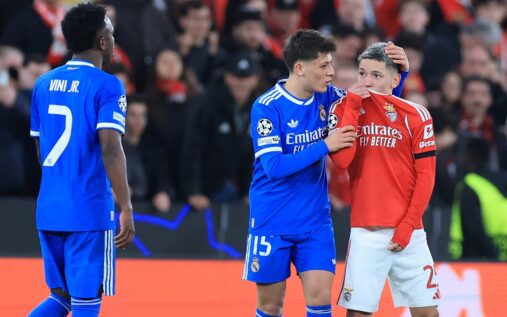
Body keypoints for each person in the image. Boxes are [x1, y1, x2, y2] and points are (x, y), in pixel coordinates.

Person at [243, 30, 409, 317]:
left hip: (315, 222)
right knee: (271, 306)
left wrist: (401, 74)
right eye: (323, 66)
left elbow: (382, 107)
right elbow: (274, 167)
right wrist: (325, 145)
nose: (332, 72)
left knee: (320, 302)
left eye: (332, 64)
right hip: (272, 220)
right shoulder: (267, 107)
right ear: (299, 68)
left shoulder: (330, 98)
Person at [28, 3, 135, 317]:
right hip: (87, 210)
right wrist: (126, 205)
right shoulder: (108, 85)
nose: (115, 41)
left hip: (49, 207)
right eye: (111, 34)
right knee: (86, 301)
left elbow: (40, 149)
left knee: (60, 298)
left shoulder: (43, 84)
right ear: (102, 42)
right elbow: (111, 148)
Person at [328, 42, 439, 317]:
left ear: (395, 80)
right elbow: (342, 161)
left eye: (376, 76)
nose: (367, 82)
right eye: (362, 73)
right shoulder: (341, 108)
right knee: (358, 314)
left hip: (409, 232)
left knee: (428, 314)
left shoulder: (416, 114)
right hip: (367, 233)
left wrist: (408, 225)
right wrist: (353, 107)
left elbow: (426, 176)